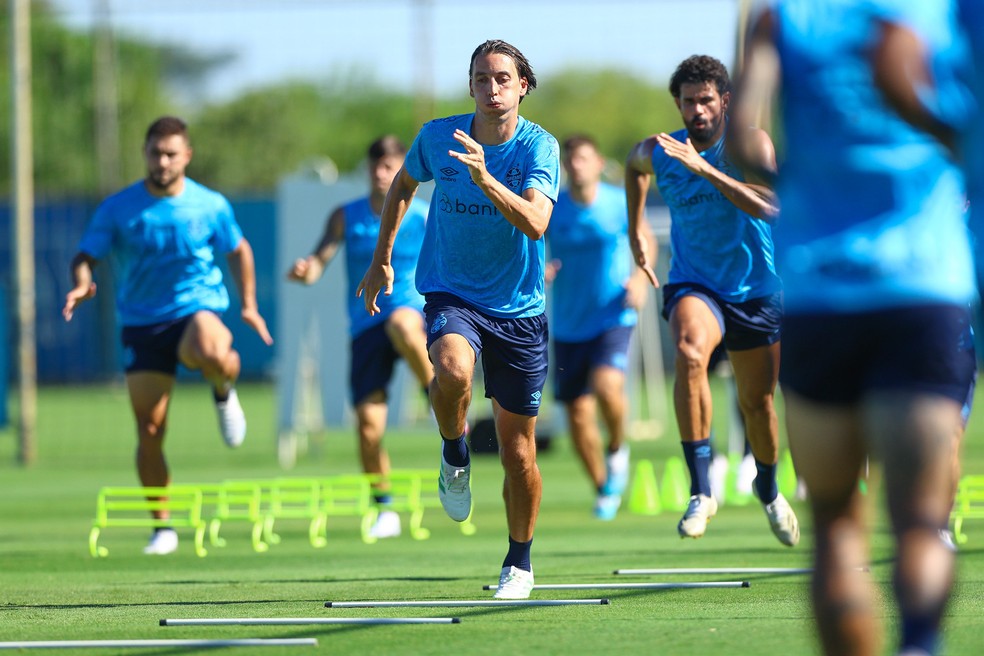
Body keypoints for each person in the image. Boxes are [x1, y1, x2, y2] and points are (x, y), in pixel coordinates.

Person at [731, 2, 976, 653]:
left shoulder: (781, 18)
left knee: (837, 523)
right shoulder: (938, 11)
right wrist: (952, 141)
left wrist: (800, 189)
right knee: (921, 520)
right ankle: (919, 642)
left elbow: (741, 138)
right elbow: (917, 83)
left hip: (819, 294)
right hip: (922, 288)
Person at [357, 39, 559, 600]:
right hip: (452, 293)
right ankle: (454, 450)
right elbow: (403, 183)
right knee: (451, 370)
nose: (492, 89)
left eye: (502, 79)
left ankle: (519, 562)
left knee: (518, 452)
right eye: (481, 79)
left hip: (518, 309)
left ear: (522, 86)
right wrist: (382, 258)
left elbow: (536, 223)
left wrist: (486, 178)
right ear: (470, 85)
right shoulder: (437, 137)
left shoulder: (539, 147)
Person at [63, 116, 273, 555]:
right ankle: (162, 528)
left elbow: (239, 249)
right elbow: (86, 256)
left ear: (187, 156)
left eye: (171, 154)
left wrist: (249, 305)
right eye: (156, 153)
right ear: (144, 153)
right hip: (142, 323)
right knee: (150, 428)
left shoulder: (209, 204)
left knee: (213, 349)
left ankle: (223, 390)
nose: (163, 162)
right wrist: (82, 283)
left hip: (196, 308)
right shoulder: (118, 208)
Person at [624, 55, 799, 546]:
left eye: (705, 100)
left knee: (757, 404)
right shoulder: (660, 150)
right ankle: (702, 489)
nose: (697, 110)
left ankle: (768, 487)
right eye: (688, 102)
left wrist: (705, 170)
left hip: (755, 289)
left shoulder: (750, 144)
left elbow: (770, 206)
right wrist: (636, 228)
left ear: (725, 100)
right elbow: (634, 168)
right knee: (688, 351)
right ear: (677, 105)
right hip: (695, 283)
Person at [287, 135, 434, 540]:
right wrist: (306, 271)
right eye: (376, 166)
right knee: (368, 428)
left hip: (410, 312)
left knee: (402, 325)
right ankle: (384, 507)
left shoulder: (422, 216)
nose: (382, 173)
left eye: (390, 166)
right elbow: (319, 261)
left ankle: (434, 394)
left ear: (403, 169)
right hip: (364, 325)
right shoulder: (345, 216)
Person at [544, 134, 651, 520]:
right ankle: (603, 487)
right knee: (576, 415)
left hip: (613, 315)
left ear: (598, 163)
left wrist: (640, 278)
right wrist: (541, 269)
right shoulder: (553, 208)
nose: (577, 166)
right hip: (569, 324)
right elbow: (530, 245)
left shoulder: (617, 202)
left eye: (584, 159)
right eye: (571, 160)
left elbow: (645, 239)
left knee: (607, 386)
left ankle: (618, 447)